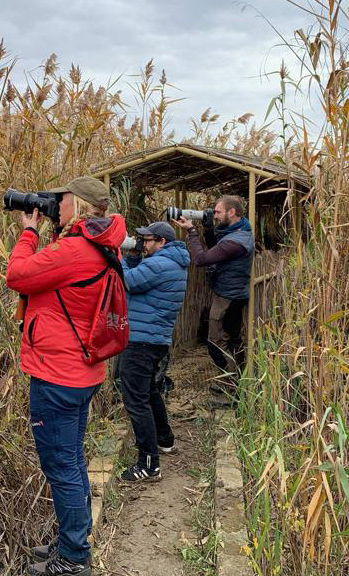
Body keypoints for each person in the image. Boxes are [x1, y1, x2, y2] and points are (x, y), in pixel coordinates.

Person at [6, 176, 126, 576]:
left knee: (61, 466)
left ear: (81, 205)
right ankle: (72, 539)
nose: (57, 205)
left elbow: (19, 275)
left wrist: (29, 231)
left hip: (58, 375)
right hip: (80, 371)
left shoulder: (75, 250)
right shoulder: (99, 245)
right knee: (72, 460)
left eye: (63, 200)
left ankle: (74, 557)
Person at [116, 221, 189, 482]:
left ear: (162, 242)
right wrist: (134, 255)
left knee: (136, 400)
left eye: (147, 241)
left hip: (141, 341)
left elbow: (126, 281)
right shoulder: (172, 262)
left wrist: (119, 256)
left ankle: (149, 464)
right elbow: (141, 275)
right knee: (148, 392)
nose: (143, 244)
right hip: (154, 340)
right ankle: (165, 439)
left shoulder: (160, 264)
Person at [172, 195, 254, 399]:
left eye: (217, 212)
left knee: (216, 342)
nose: (214, 215)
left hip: (228, 297)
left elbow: (201, 259)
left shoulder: (236, 241)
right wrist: (208, 229)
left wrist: (191, 231)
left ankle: (232, 388)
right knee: (232, 340)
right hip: (233, 293)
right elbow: (217, 245)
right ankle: (234, 382)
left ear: (231, 212)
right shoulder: (240, 230)